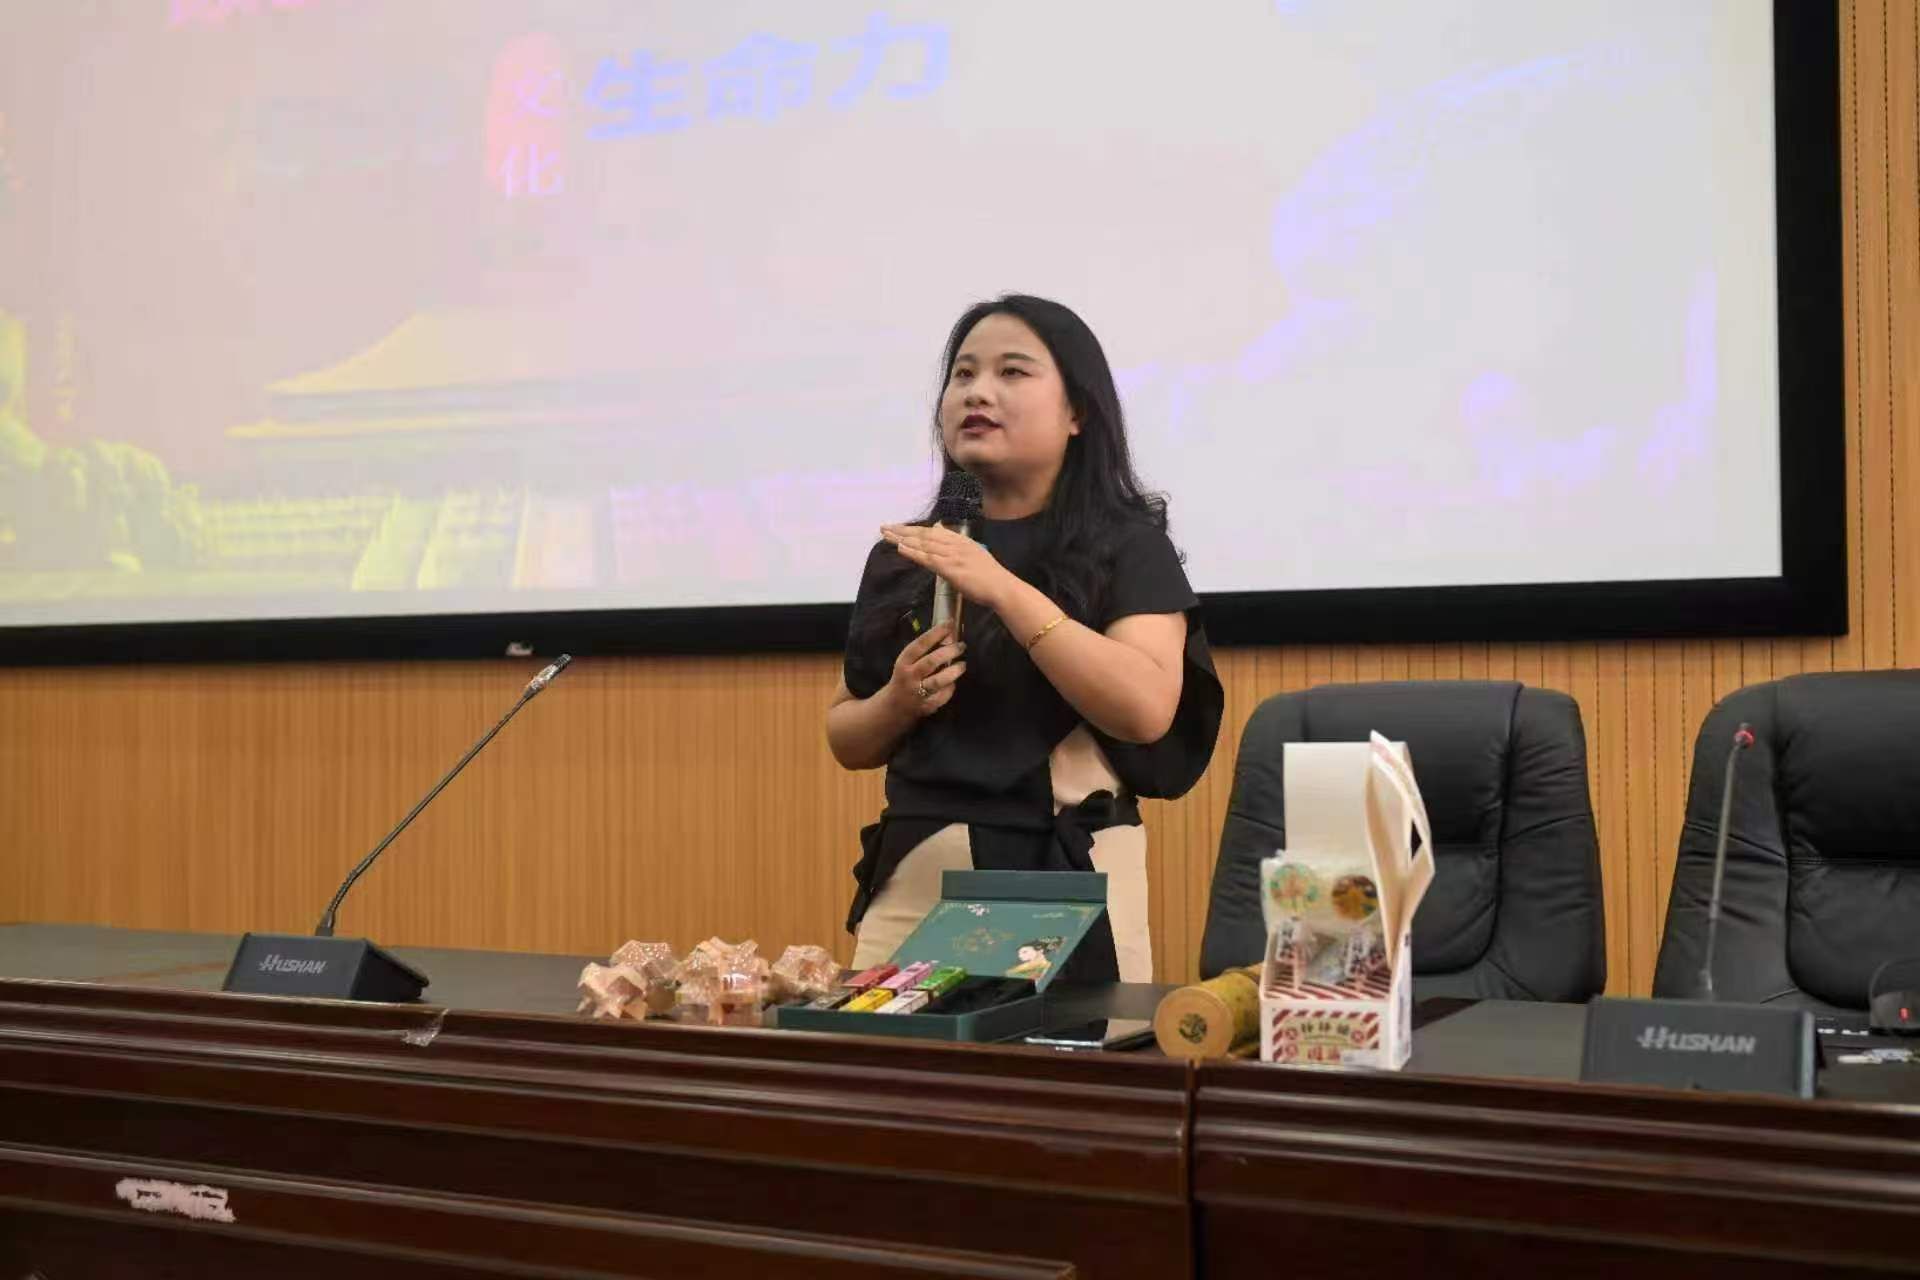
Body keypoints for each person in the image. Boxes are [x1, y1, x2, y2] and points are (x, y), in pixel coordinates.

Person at [826, 294, 1223, 983]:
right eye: (963, 374)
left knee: (1069, 1059)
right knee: (891, 1055)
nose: (977, 392)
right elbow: (846, 737)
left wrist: (1002, 588)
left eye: (1012, 372)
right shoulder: (910, 553)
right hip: (916, 873)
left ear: (1078, 414)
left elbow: (1146, 709)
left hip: (1063, 875)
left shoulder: (1127, 547)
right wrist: (899, 700)